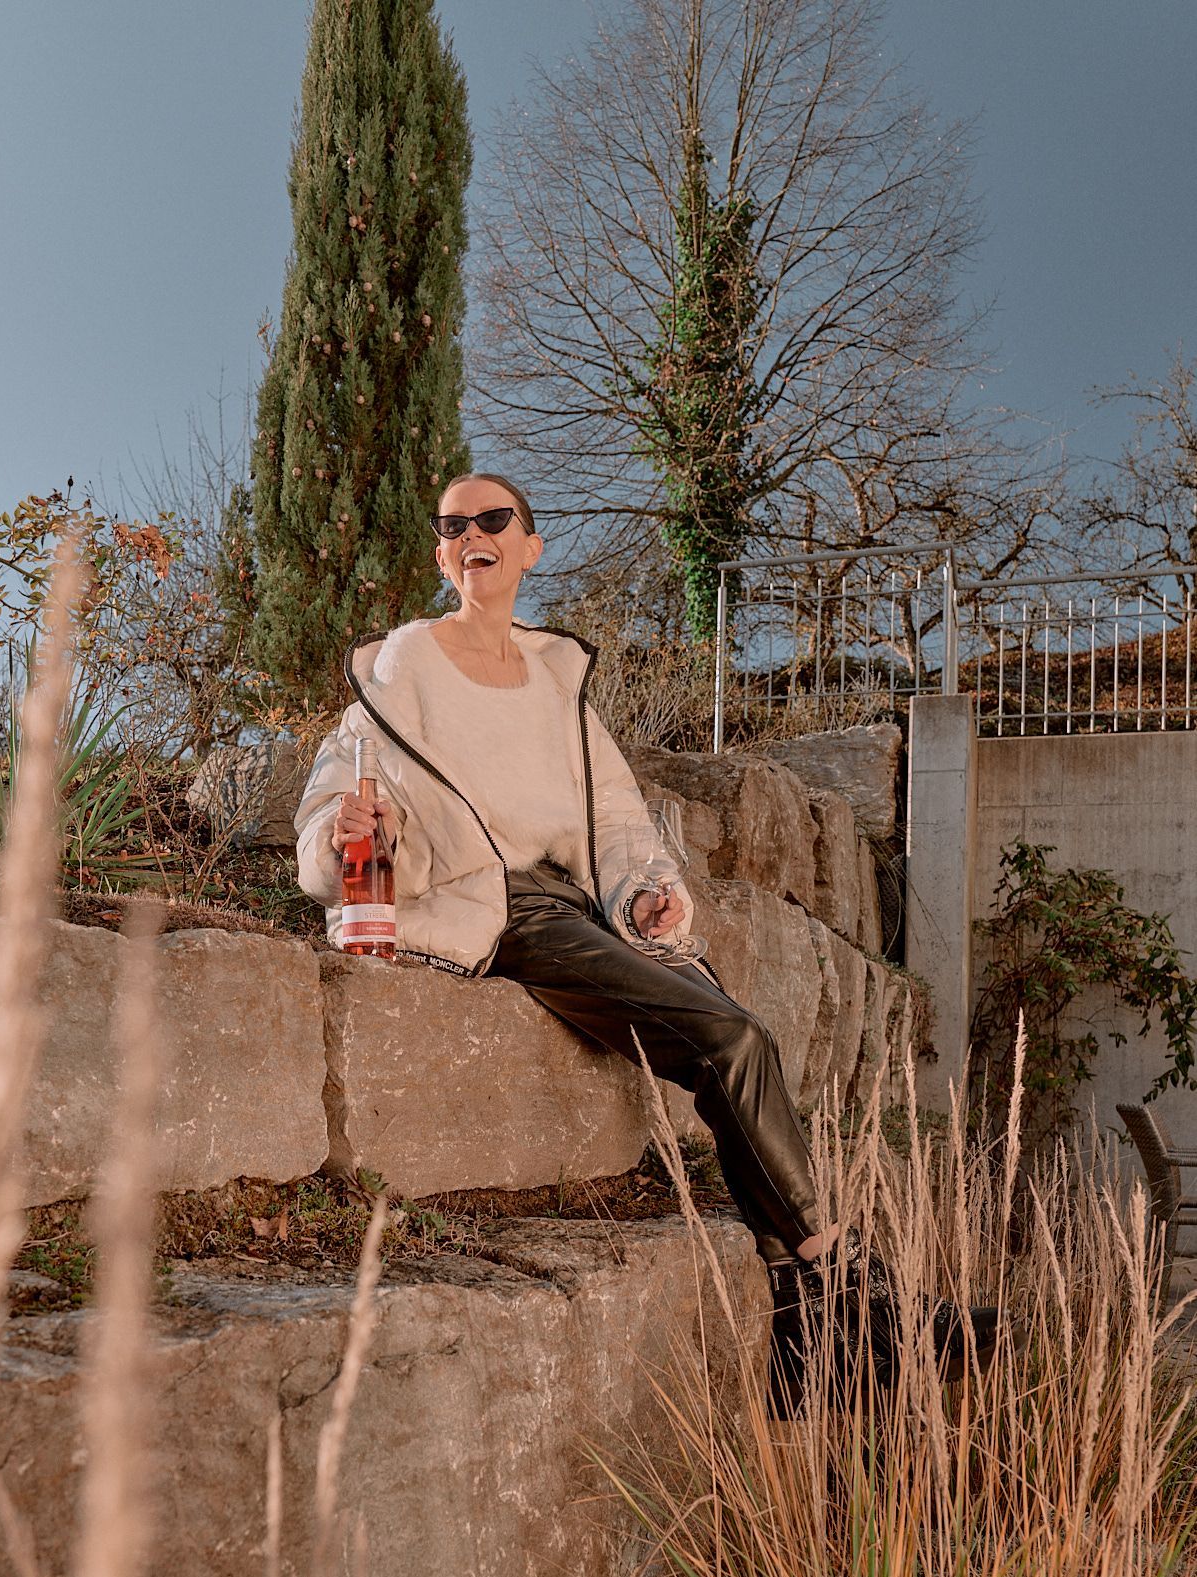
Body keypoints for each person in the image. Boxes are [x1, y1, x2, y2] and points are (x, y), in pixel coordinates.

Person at [294, 472, 987, 1394]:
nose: (472, 533)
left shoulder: (556, 687)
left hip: (572, 906)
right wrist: (353, 839)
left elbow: (618, 822)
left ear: (529, 547)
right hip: (492, 904)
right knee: (732, 1038)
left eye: (492, 519)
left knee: (737, 1036)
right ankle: (850, 1293)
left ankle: (803, 1331)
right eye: (452, 525)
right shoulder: (394, 680)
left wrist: (649, 890)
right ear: (442, 555)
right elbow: (331, 831)